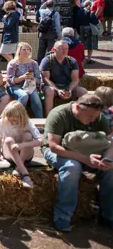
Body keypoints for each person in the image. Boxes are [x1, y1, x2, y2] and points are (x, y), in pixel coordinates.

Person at [42, 94, 113, 232]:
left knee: (111, 170)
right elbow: (53, 146)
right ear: (77, 107)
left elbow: (109, 141)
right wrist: (85, 159)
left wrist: (107, 160)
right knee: (72, 167)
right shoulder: (59, 114)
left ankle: (107, 214)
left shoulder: (98, 116)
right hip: (60, 151)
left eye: (95, 117)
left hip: (88, 150)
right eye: (89, 117)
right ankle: (62, 216)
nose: (93, 119)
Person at [0, 101, 42, 188]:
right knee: (8, 140)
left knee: (28, 135)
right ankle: (25, 174)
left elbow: (41, 141)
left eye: (15, 120)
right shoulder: (2, 122)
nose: (12, 122)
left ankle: (19, 167)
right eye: (9, 119)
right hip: (9, 154)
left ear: (21, 116)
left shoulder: (27, 122)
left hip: (25, 155)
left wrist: (22, 145)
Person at [40, 40, 88, 115]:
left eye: (66, 49)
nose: (64, 51)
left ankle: (81, 115)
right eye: (61, 48)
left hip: (67, 86)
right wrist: (58, 90)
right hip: (52, 87)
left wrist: (70, 90)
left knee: (83, 91)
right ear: (55, 49)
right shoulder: (47, 60)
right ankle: (49, 116)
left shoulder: (72, 61)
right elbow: (46, 79)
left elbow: (75, 80)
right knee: (50, 91)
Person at [6, 42, 43, 118]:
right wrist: (22, 77)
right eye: (24, 49)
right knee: (24, 95)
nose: (26, 51)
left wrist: (33, 78)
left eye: (28, 49)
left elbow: (39, 79)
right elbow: (10, 80)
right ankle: (17, 118)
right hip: (15, 86)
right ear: (19, 51)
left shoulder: (34, 63)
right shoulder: (13, 63)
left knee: (36, 98)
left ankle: (41, 121)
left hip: (30, 86)